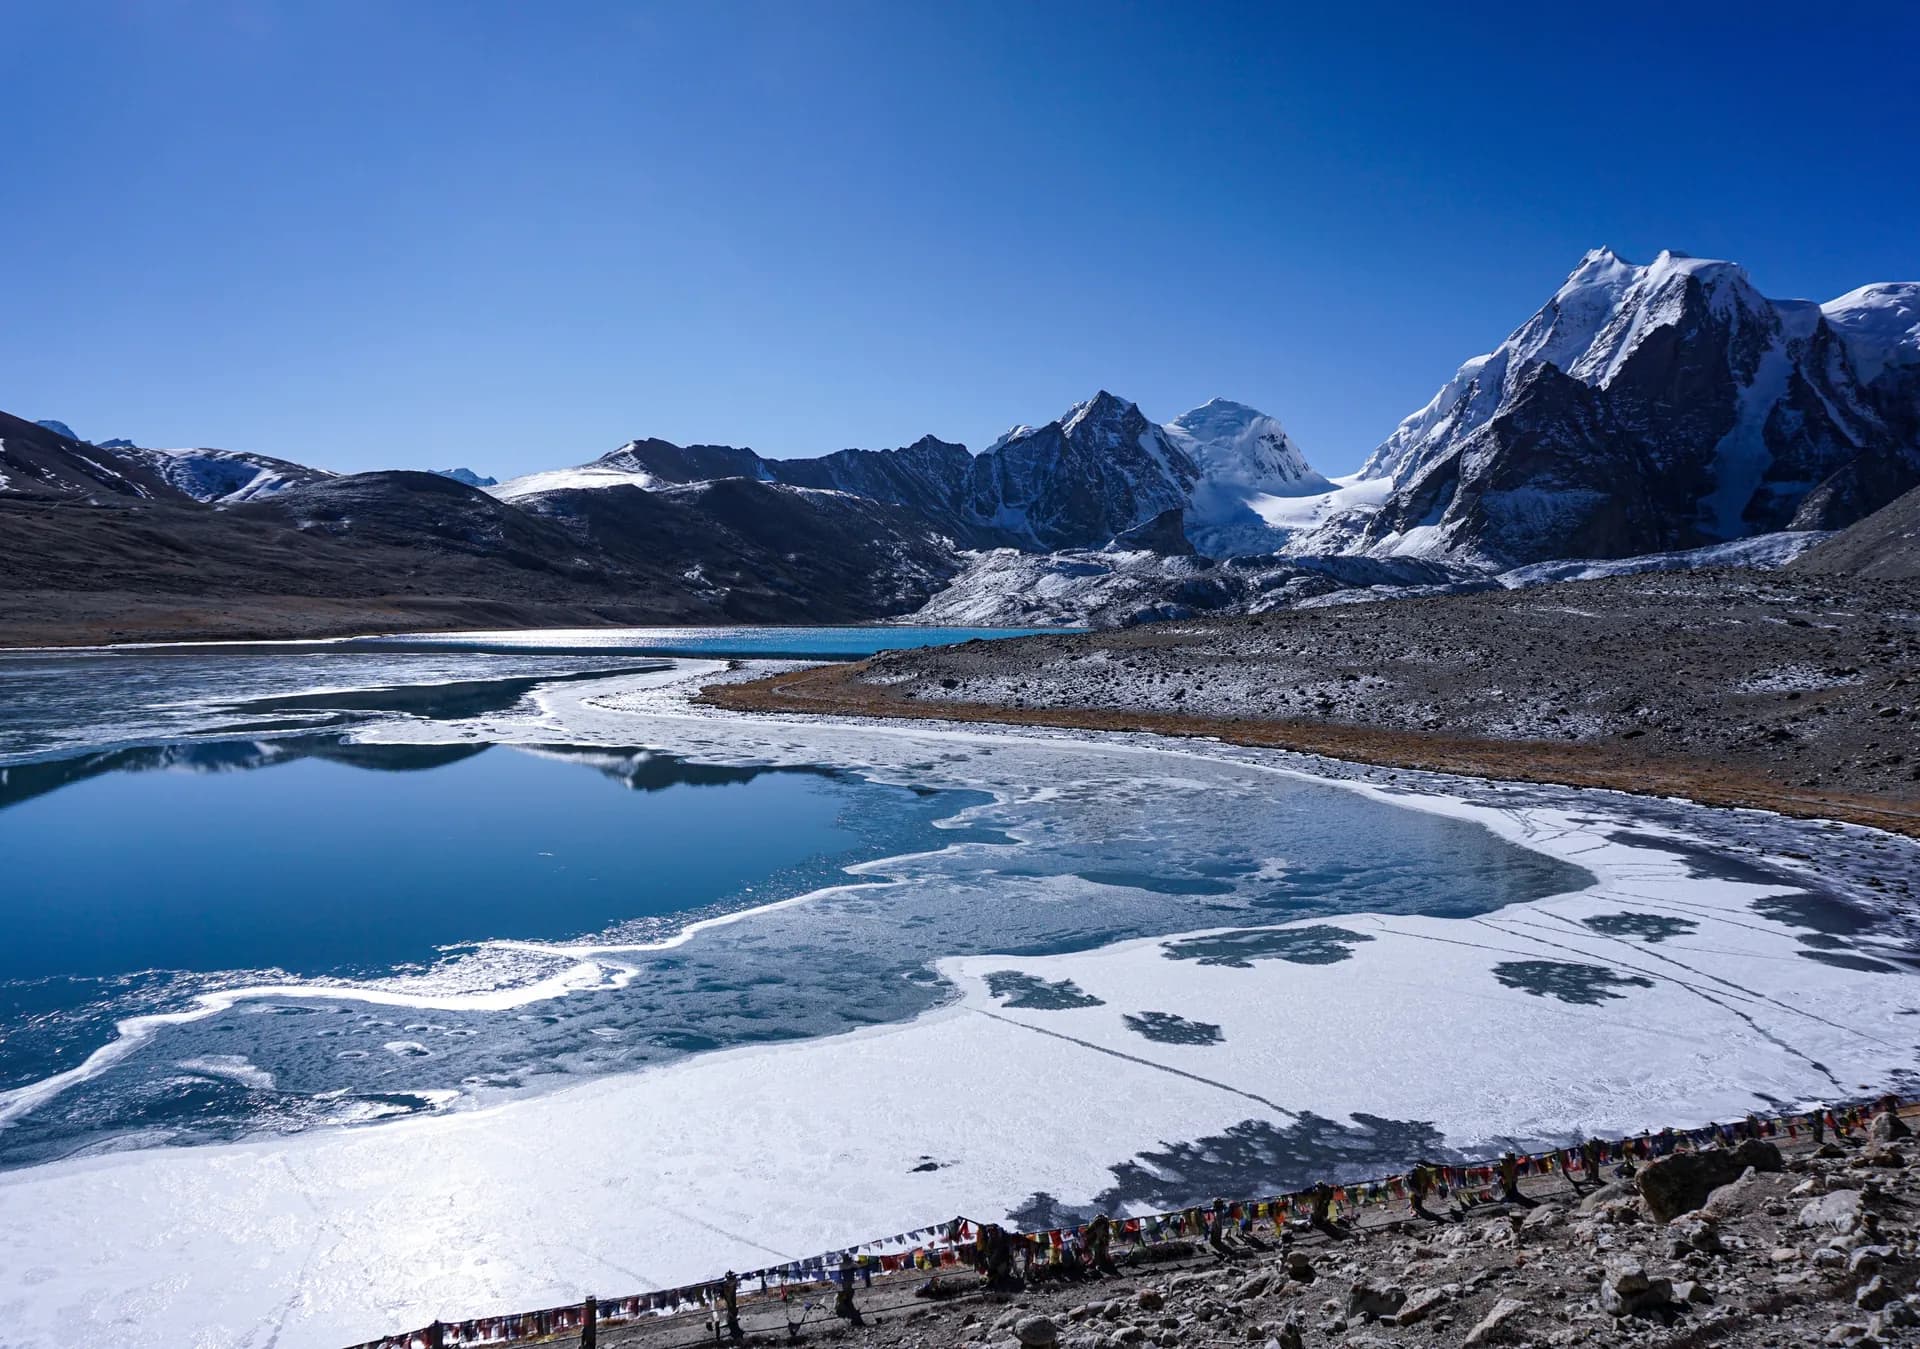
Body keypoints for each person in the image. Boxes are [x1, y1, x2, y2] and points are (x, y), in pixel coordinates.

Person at [833, 1255, 865, 1328]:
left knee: (847, 1299)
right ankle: (853, 1319)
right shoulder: (851, 1264)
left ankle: (851, 1318)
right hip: (848, 1284)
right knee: (847, 1299)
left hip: (844, 1285)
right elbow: (858, 1266)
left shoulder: (841, 1265)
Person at [720, 1272, 743, 1344]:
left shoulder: (729, 1283)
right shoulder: (729, 1283)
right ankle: (731, 1318)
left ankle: (731, 1318)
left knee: (732, 1305)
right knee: (731, 1305)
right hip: (730, 1296)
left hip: (731, 1295)